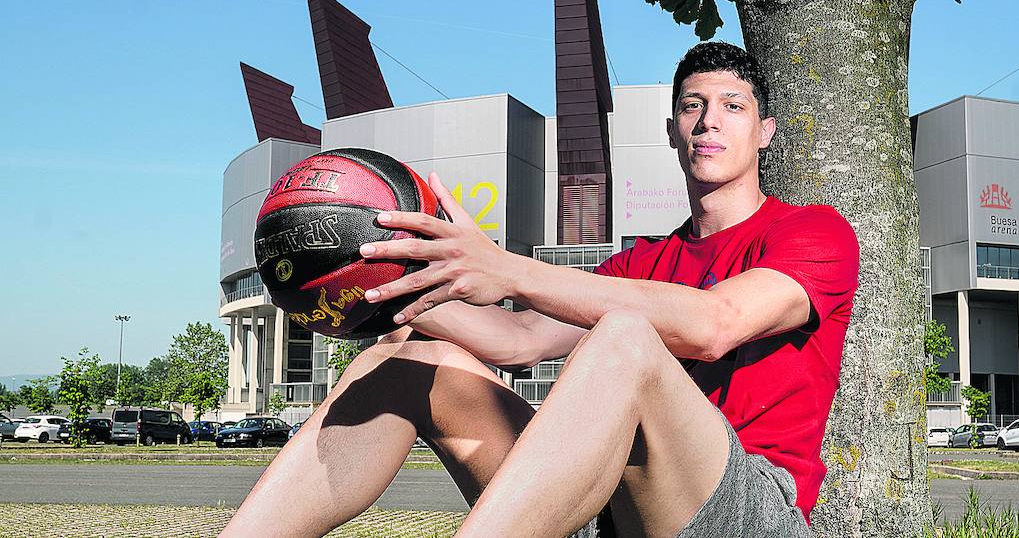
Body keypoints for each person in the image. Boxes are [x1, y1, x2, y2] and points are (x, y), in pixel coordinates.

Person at [221, 41, 859, 538]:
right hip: (618, 509)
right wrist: (383, 285)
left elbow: (715, 324)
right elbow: (518, 338)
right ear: (671, 130)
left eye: (732, 107)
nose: (708, 122)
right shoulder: (645, 260)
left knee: (627, 338)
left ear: (764, 132)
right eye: (692, 107)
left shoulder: (813, 232)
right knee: (407, 361)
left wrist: (505, 268)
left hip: (747, 513)